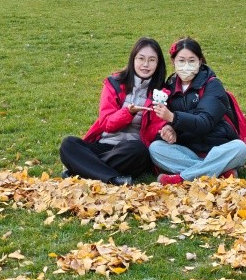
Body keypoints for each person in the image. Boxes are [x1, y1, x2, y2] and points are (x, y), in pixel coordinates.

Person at [59, 37, 167, 185]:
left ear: (158, 63)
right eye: (141, 58)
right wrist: (128, 113)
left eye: (152, 60)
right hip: (105, 145)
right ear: (133, 59)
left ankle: (82, 169)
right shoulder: (114, 83)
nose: (145, 64)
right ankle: (113, 178)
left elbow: (155, 130)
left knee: (139, 150)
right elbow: (106, 123)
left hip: (129, 151)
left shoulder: (162, 93)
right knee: (68, 144)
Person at [149, 37, 246, 185]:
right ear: (173, 62)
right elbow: (168, 122)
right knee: (155, 148)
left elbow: (204, 122)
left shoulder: (213, 85)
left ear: (200, 61)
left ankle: (182, 178)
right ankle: (219, 172)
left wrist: (172, 118)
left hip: (218, 148)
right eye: (181, 61)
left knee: (239, 148)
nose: (186, 66)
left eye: (191, 61)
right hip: (188, 151)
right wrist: (169, 128)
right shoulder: (169, 87)